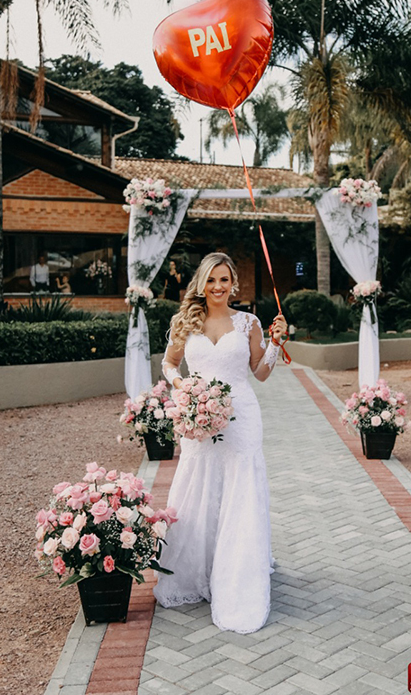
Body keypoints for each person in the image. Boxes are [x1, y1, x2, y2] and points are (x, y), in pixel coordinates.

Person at [154, 252, 287, 634]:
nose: (217, 287)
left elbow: (260, 372)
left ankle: (237, 576)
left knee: (238, 491)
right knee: (199, 488)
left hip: (241, 416)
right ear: (202, 282)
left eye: (224, 280)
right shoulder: (186, 321)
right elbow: (169, 364)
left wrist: (275, 344)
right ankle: (196, 571)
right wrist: (184, 388)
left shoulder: (249, 323)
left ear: (234, 284)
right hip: (197, 419)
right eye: (211, 280)